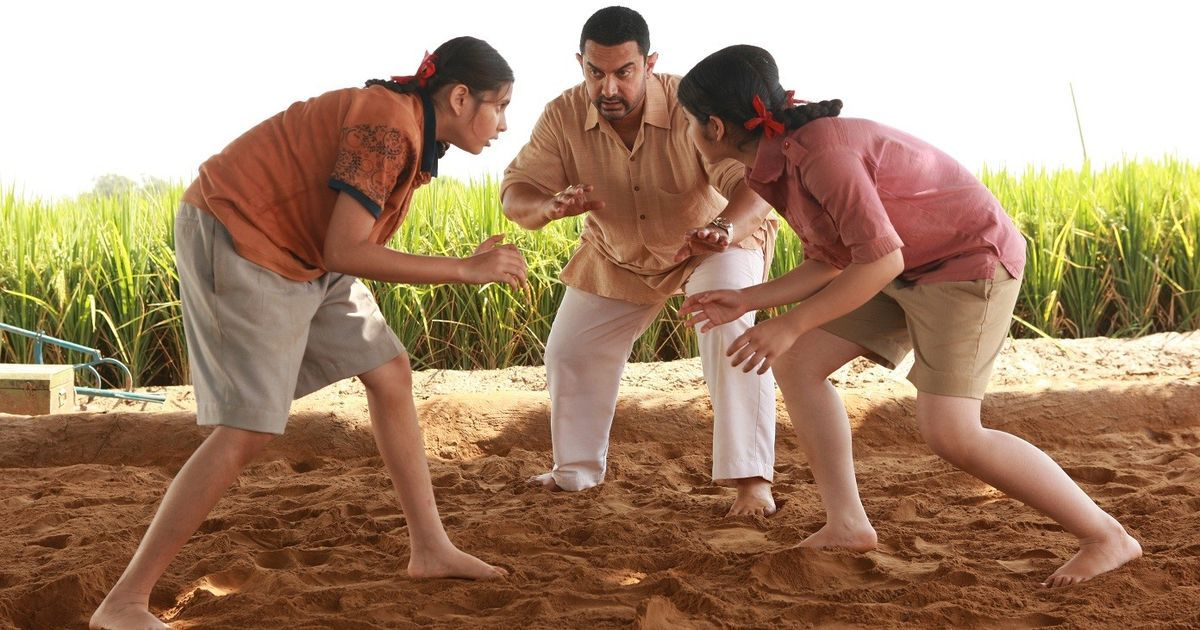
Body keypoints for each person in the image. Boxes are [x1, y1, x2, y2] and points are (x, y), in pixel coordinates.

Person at [90, 36, 524, 630]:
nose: (503, 123)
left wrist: (461, 268)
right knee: (248, 428)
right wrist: (464, 270)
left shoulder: (411, 131)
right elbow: (346, 248)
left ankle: (430, 549)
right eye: (499, 106)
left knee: (389, 372)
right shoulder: (390, 127)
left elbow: (344, 248)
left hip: (304, 256)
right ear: (458, 97)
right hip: (242, 235)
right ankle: (124, 602)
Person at [676, 44, 1142, 587]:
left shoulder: (822, 153)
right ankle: (847, 523)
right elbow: (832, 258)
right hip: (902, 264)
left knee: (951, 433)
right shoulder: (772, 165)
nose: (685, 133)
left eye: (686, 123)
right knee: (799, 363)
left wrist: (792, 321)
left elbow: (881, 258)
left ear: (713, 127)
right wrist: (750, 301)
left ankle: (1107, 536)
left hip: (966, 262)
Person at [501, 6, 779, 516]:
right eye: (595, 72)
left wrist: (722, 230)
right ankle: (575, 475)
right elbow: (515, 192)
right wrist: (546, 207)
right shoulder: (562, 115)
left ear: (649, 64)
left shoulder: (690, 104)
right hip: (618, 254)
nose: (608, 88)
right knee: (571, 350)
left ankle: (752, 481)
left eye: (623, 72)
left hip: (712, 243)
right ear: (579, 63)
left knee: (729, 329)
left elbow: (756, 184)